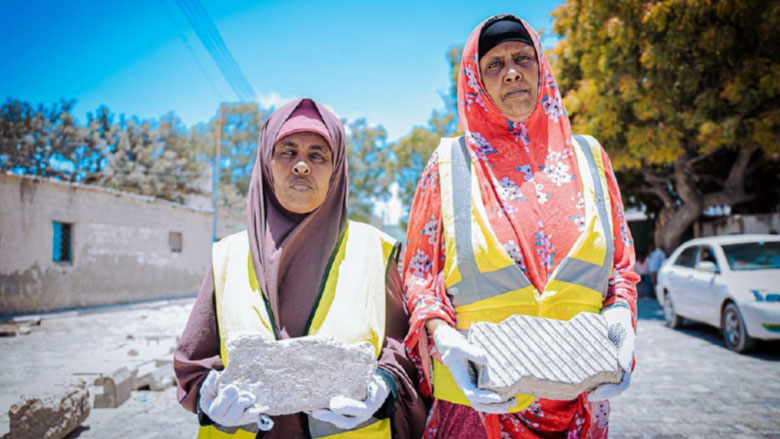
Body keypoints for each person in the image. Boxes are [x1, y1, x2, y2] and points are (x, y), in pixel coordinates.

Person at [402, 14, 639, 439]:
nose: (511, 72)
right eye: (494, 64)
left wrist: (621, 314)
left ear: (541, 67)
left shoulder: (590, 157)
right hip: (480, 401)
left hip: (581, 402)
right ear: (476, 80)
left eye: (523, 58)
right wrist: (445, 341)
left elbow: (620, 266)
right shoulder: (448, 165)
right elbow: (418, 277)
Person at [174, 98, 427, 439]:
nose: (302, 166)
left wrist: (381, 389)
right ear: (267, 163)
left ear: (336, 170)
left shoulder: (376, 252)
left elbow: (404, 352)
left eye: (318, 155)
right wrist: (209, 399)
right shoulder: (229, 255)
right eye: (288, 152)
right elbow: (194, 361)